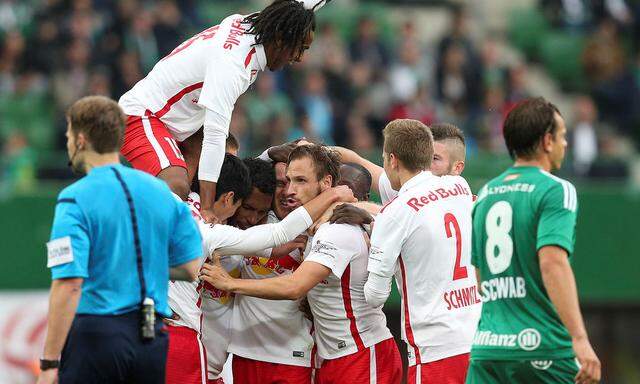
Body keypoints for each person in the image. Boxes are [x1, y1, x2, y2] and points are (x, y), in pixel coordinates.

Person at [200, 144, 402, 384]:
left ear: (328, 185)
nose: (289, 190)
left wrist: (230, 283)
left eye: (301, 181)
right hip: (327, 356)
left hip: (353, 351)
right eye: (287, 181)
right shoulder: (287, 224)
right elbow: (247, 169)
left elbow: (295, 286)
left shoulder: (337, 230)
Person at [38, 96, 203, 384]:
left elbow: (68, 283)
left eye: (67, 136)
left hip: (98, 334)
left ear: (79, 140)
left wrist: (50, 362)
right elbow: (190, 267)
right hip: (151, 335)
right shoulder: (161, 192)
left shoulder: (74, 198)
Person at [118, 0, 330, 224]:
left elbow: (297, 6)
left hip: (180, 118)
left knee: (227, 160)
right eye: (300, 48)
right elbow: (213, 137)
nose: (299, 58)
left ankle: (190, 220)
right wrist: (208, 209)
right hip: (144, 116)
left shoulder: (252, 25)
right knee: (176, 187)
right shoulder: (232, 67)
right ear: (280, 39)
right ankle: (132, 230)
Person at [167, 155, 354, 384]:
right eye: (244, 207)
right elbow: (276, 234)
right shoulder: (212, 231)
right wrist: (333, 194)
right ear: (230, 199)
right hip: (188, 345)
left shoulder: (172, 206)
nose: (252, 218)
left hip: (222, 360)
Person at [466, 98, 601, 384]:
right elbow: (552, 262)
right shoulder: (556, 190)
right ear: (548, 141)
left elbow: (480, 279)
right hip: (542, 349)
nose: (566, 144)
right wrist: (579, 338)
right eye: (563, 136)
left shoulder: (487, 193)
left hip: (488, 349)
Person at [363, 119, 481, 384]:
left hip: (436, 347)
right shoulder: (459, 187)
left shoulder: (394, 214)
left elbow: (374, 296)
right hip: (478, 338)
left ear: (392, 160)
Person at [332, 122, 467, 204]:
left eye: (435, 159)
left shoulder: (463, 201)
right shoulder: (409, 185)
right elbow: (355, 160)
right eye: (427, 155)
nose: (426, 163)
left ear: (457, 168)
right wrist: (313, 150)